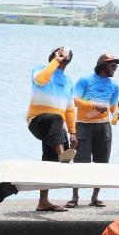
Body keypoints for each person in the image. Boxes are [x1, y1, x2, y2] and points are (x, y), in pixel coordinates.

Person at [26, 46, 77, 212]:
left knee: (48, 161)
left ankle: (43, 202)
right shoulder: (39, 70)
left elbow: (70, 109)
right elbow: (40, 80)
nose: (64, 54)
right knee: (56, 118)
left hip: (57, 129)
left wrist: (73, 132)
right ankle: (62, 154)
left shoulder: (68, 81)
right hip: (37, 122)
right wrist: (56, 60)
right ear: (54, 55)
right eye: (60, 53)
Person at [68, 53, 119, 208]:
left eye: (116, 65)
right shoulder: (85, 80)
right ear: (102, 65)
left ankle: (95, 197)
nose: (115, 68)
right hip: (83, 125)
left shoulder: (114, 86)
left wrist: (117, 112)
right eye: (112, 65)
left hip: (104, 126)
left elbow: (113, 106)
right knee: (80, 162)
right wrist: (94, 105)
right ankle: (75, 197)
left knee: (102, 163)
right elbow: (75, 101)